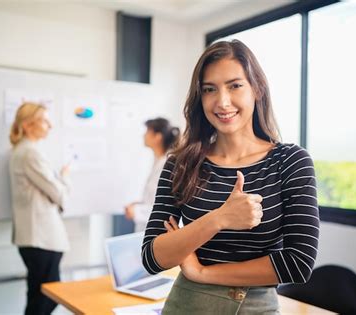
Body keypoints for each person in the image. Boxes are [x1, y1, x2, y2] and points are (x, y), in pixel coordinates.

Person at [141, 40, 319, 315]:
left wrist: (202, 272)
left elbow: (298, 263)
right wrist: (219, 218)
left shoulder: (290, 161)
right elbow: (152, 257)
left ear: (256, 88)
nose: (222, 101)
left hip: (255, 307)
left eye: (234, 85)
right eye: (209, 90)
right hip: (187, 305)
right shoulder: (181, 163)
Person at [9, 102, 70, 315]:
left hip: (37, 238)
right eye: (44, 120)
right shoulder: (30, 154)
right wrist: (64, 177)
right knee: (44, 299)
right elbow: (60, 194)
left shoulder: (23, 151)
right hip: (41, 238)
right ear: (27, 125)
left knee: (39, 296)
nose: (50, 125)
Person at [125, 118, 180, 232]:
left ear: (157, 137)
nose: (143, 135)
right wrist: (139, 204)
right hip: (145, 228)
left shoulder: (168, 165)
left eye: (147, 131)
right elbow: (153, 197)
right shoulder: (158, 161)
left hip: (156, 232)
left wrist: (136, 211)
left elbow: (164, 207)